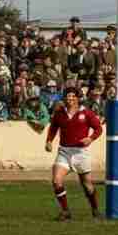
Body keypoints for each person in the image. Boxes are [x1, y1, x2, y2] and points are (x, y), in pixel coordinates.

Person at [45, 86, 103, 220]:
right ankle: (65, 211)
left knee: (87, 184)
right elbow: (53, 128)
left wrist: (90, 138)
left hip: (81, 153)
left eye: (72, 96)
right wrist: (49, 141)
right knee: (56, 181)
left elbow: (98, 129)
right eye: (67, 96)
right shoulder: (59, 113)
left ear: (77, 98)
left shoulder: (87, 113)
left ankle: (95, 209)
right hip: (64, 151)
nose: (69, 98)